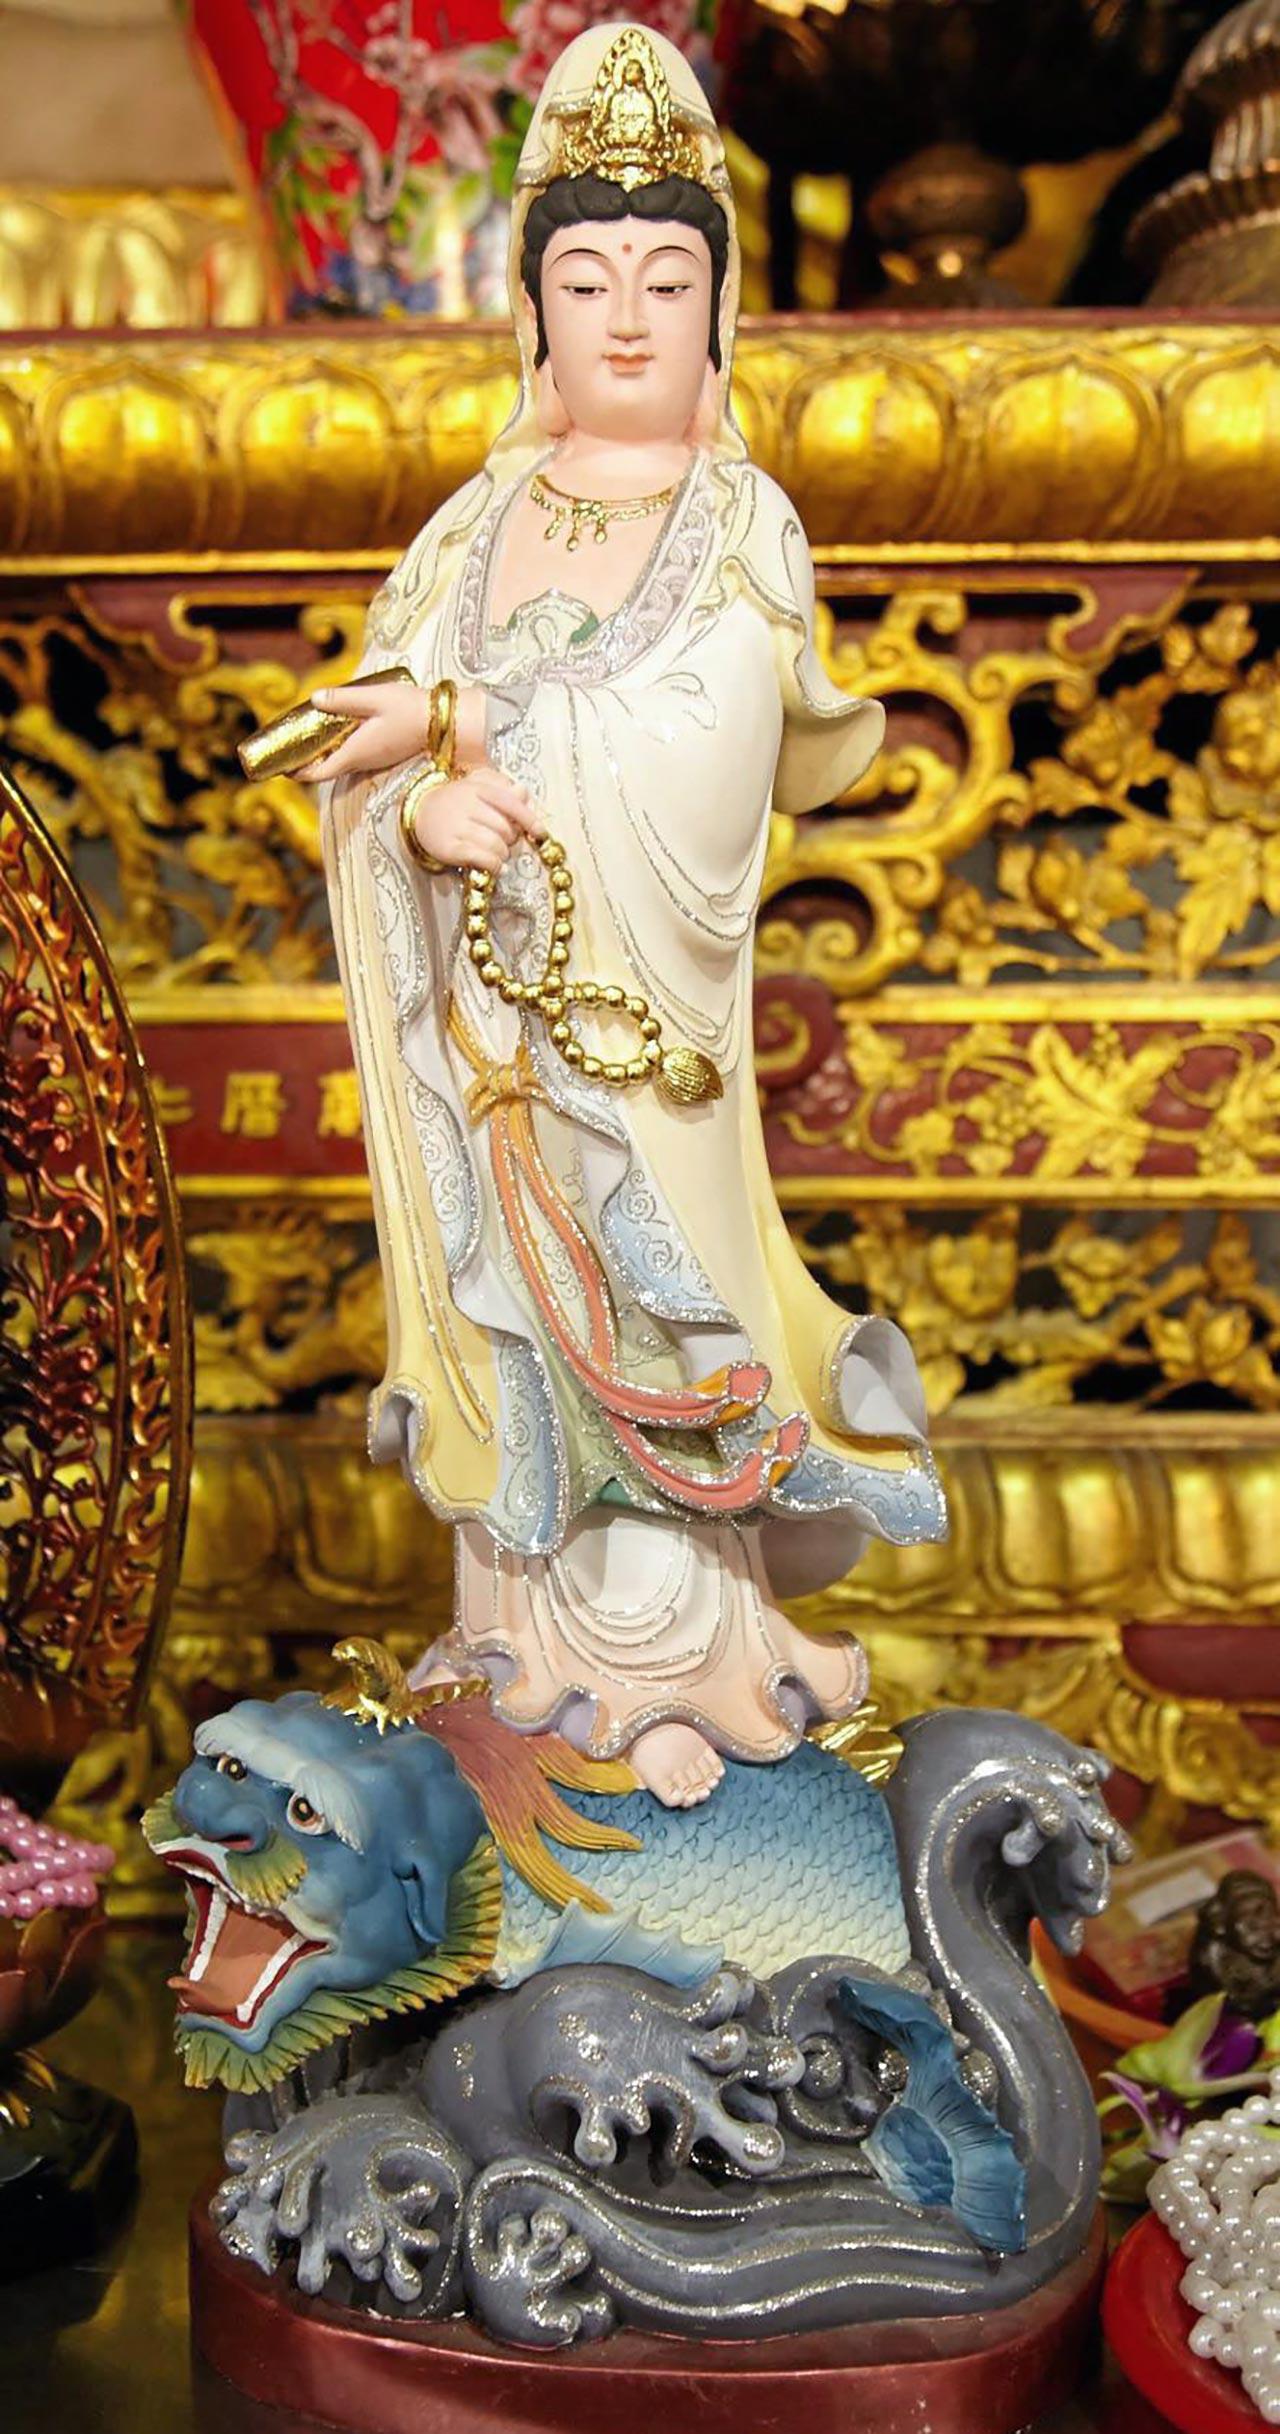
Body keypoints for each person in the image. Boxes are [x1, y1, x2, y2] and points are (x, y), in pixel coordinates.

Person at [301, 24, 946, 1809]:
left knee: (674, 1327)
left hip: (648, 1044)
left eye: (670, 280)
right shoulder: (465, 528)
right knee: (519, 1336)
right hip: (493, 1044)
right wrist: (411, 801)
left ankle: (705, 1673)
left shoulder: (743, 517)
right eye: (587, 282)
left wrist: (475, 724)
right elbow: (371, 748)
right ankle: (530, 1663)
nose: (631, 322)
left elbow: (712, 743)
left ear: (722, 311)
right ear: (530, 311)